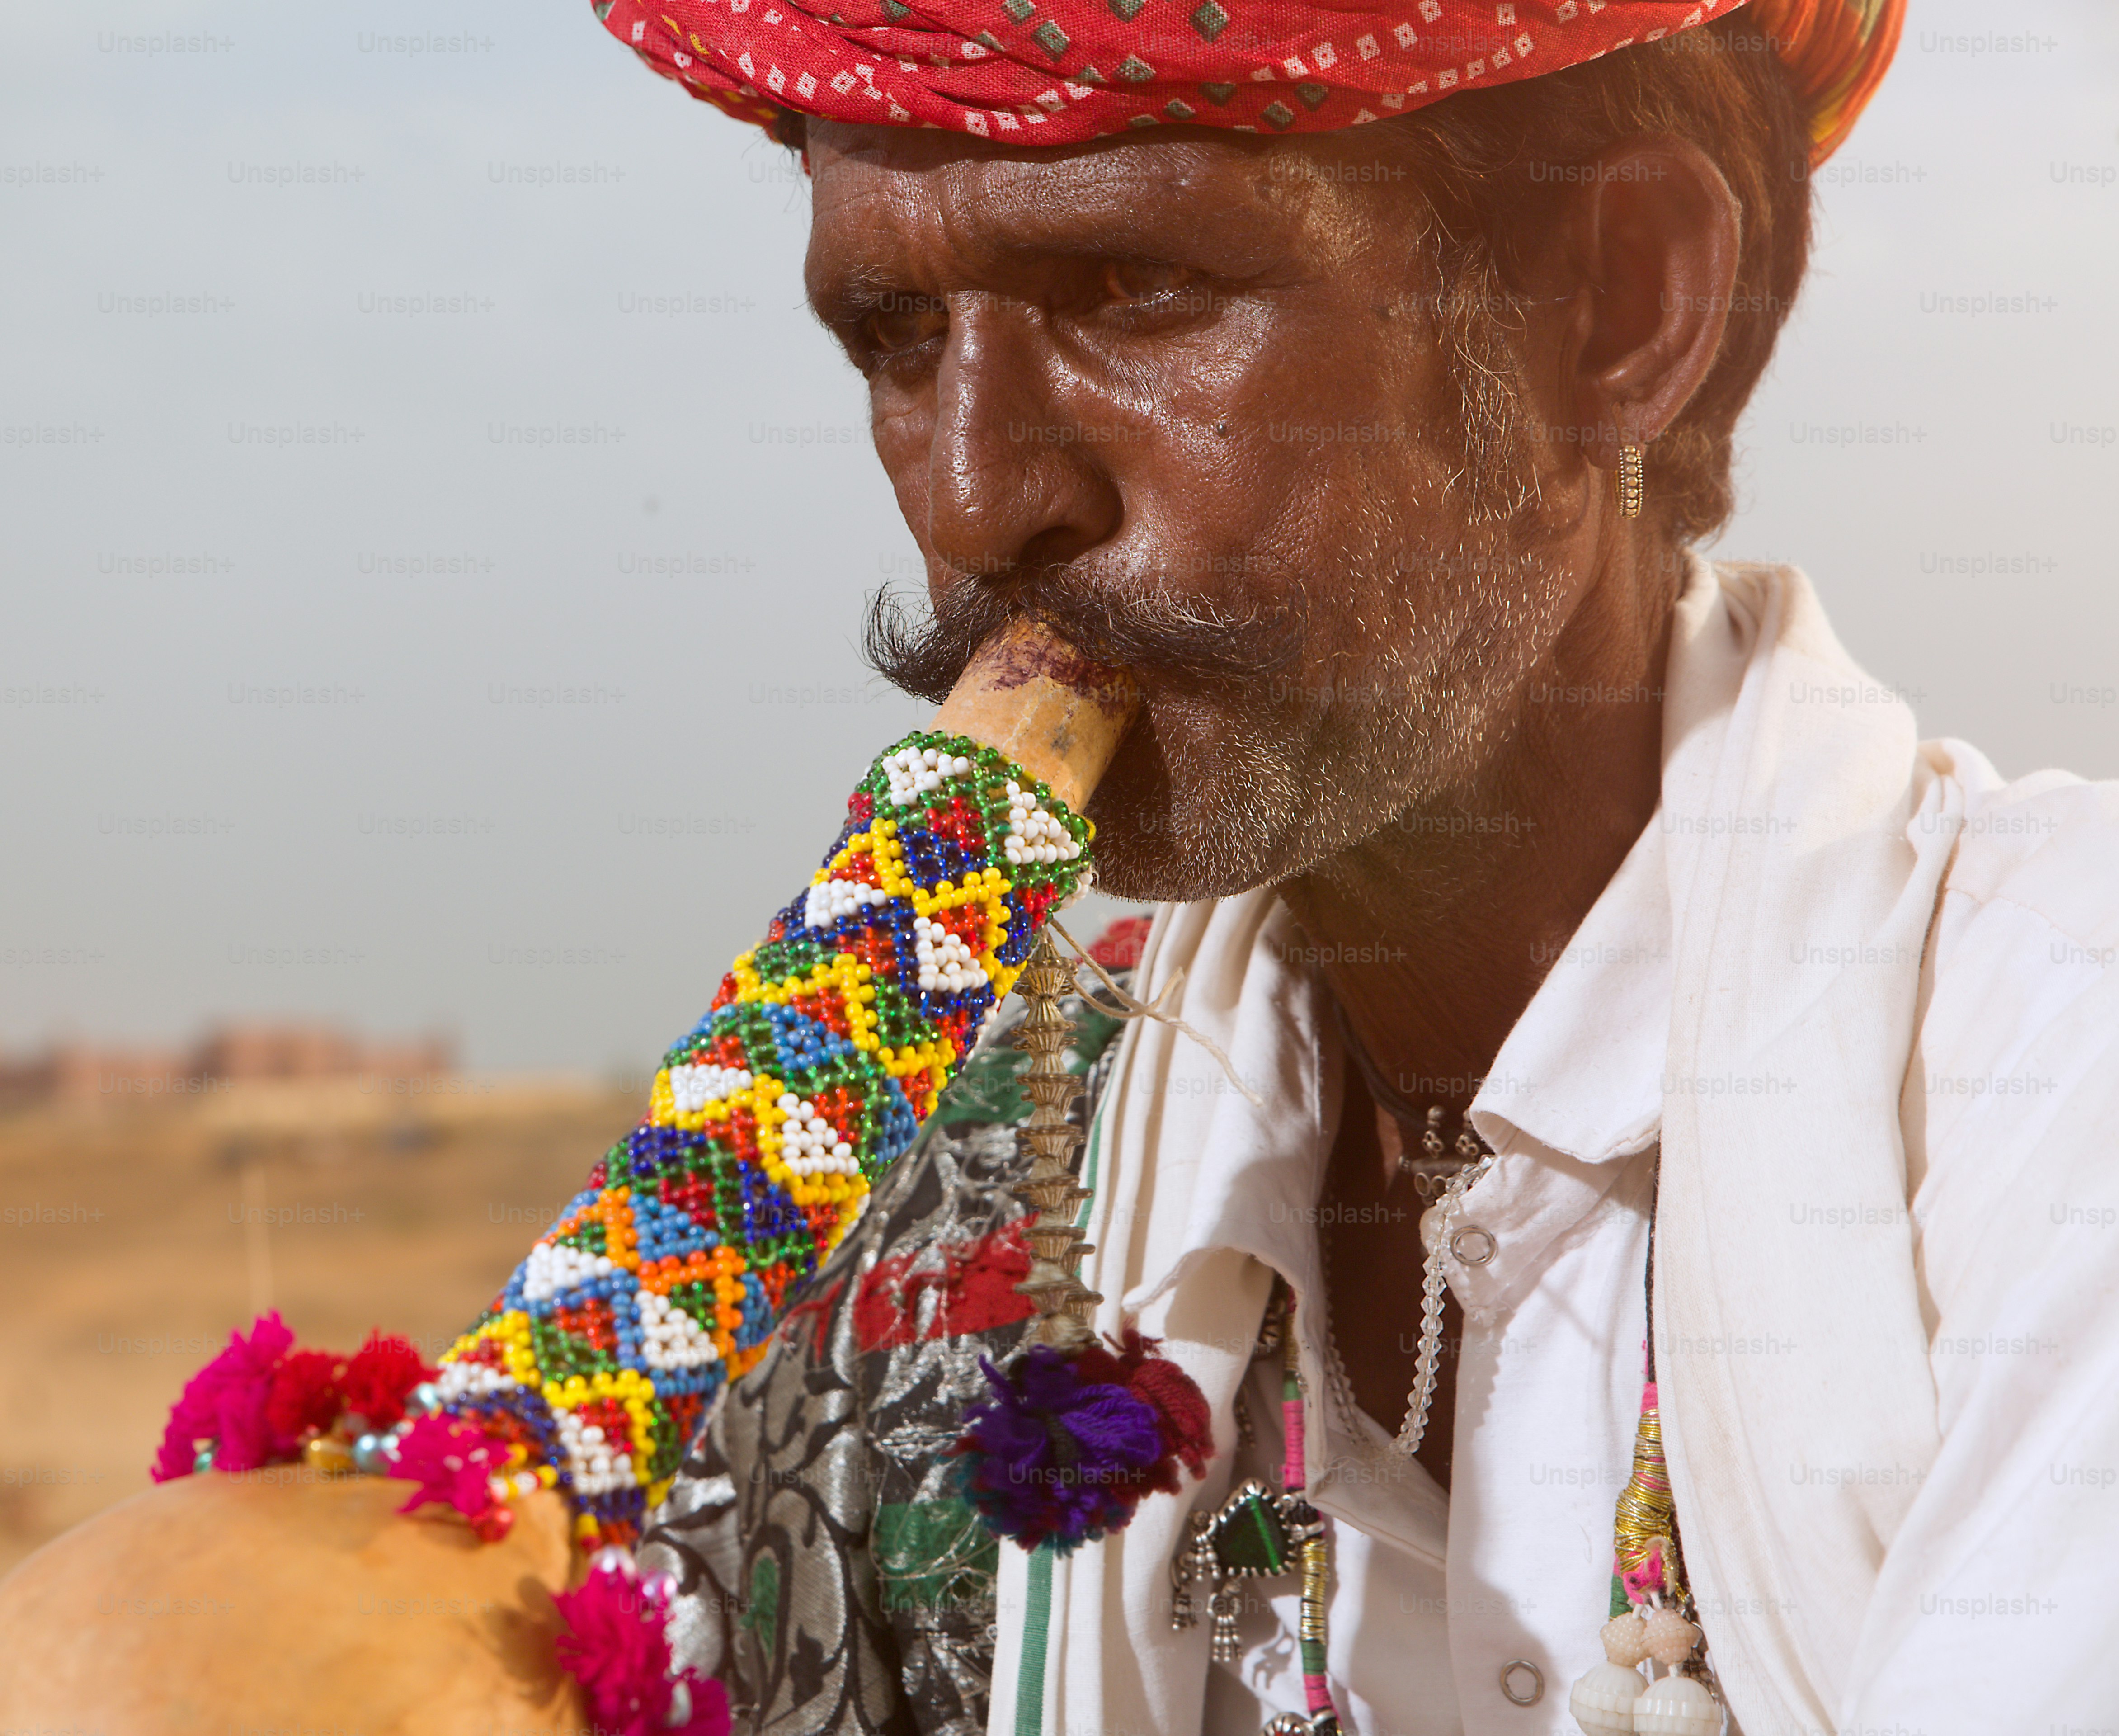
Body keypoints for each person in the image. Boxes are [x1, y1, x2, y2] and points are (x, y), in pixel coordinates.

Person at [561, 2, 2119, 1732]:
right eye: (897, 332)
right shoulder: (948, 1198)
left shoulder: (2053, 1070)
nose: (979, 497)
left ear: (1616, 309)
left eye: (1130, 292)